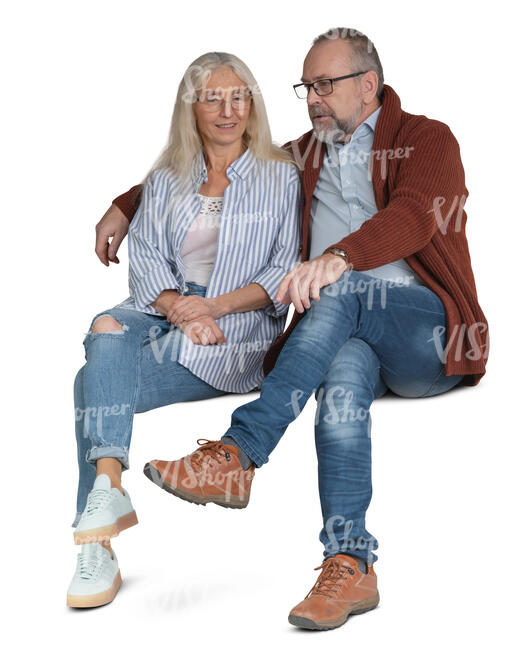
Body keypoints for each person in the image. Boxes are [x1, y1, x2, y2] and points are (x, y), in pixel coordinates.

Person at [98, 28, 489, 630]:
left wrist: (341, 257)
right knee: (340, 386)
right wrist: (127, 204)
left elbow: (414, 214)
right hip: (344, 331)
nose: (313, 100)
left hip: (426, 333)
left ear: (369, 85)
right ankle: (350, 563)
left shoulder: (426, 139)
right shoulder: (304, 154)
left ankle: (240, 452)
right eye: (306, 87)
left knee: (341, 288)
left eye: (326, 85)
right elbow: (219, 162)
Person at [67, 51, 301, 608]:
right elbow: (145, 259)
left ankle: (97, 539)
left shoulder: (280, 174)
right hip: (161, 306)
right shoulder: (169, 176)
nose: (228, 110)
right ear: (190, 108)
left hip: (236, 324)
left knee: (89, 386)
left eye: (238, 96)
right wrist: (180, 308)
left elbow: (282, 270)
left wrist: (211, 310)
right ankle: (110, 492)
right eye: (212, 98)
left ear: (253, 103)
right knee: (106, 324)